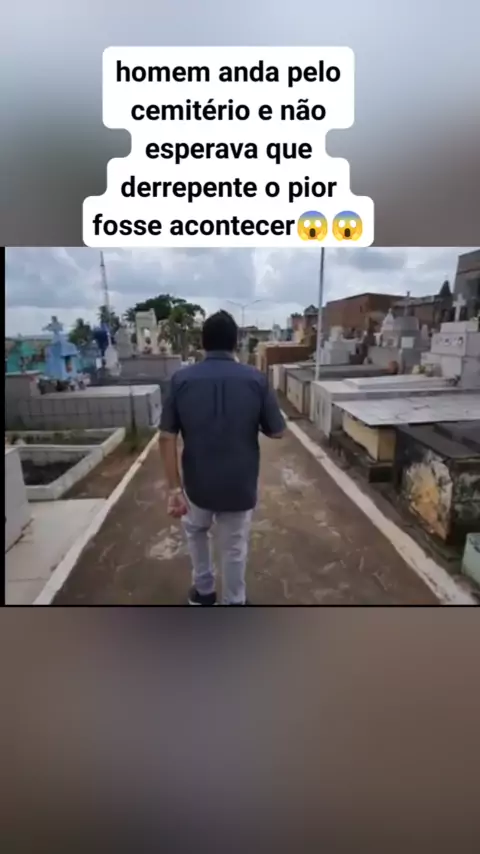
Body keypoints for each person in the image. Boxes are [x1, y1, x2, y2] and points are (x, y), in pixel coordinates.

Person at [159, 310, 285, 605]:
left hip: (196, 485)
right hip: (239, 485)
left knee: (196, 532)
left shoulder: (181, 380)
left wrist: (174, 489)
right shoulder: (256, 380)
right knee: (234, 547)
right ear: (235, 342)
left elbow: (166, 437)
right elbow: (277, 432)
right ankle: (234, 601)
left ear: (203, 343)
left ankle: (203, 592)